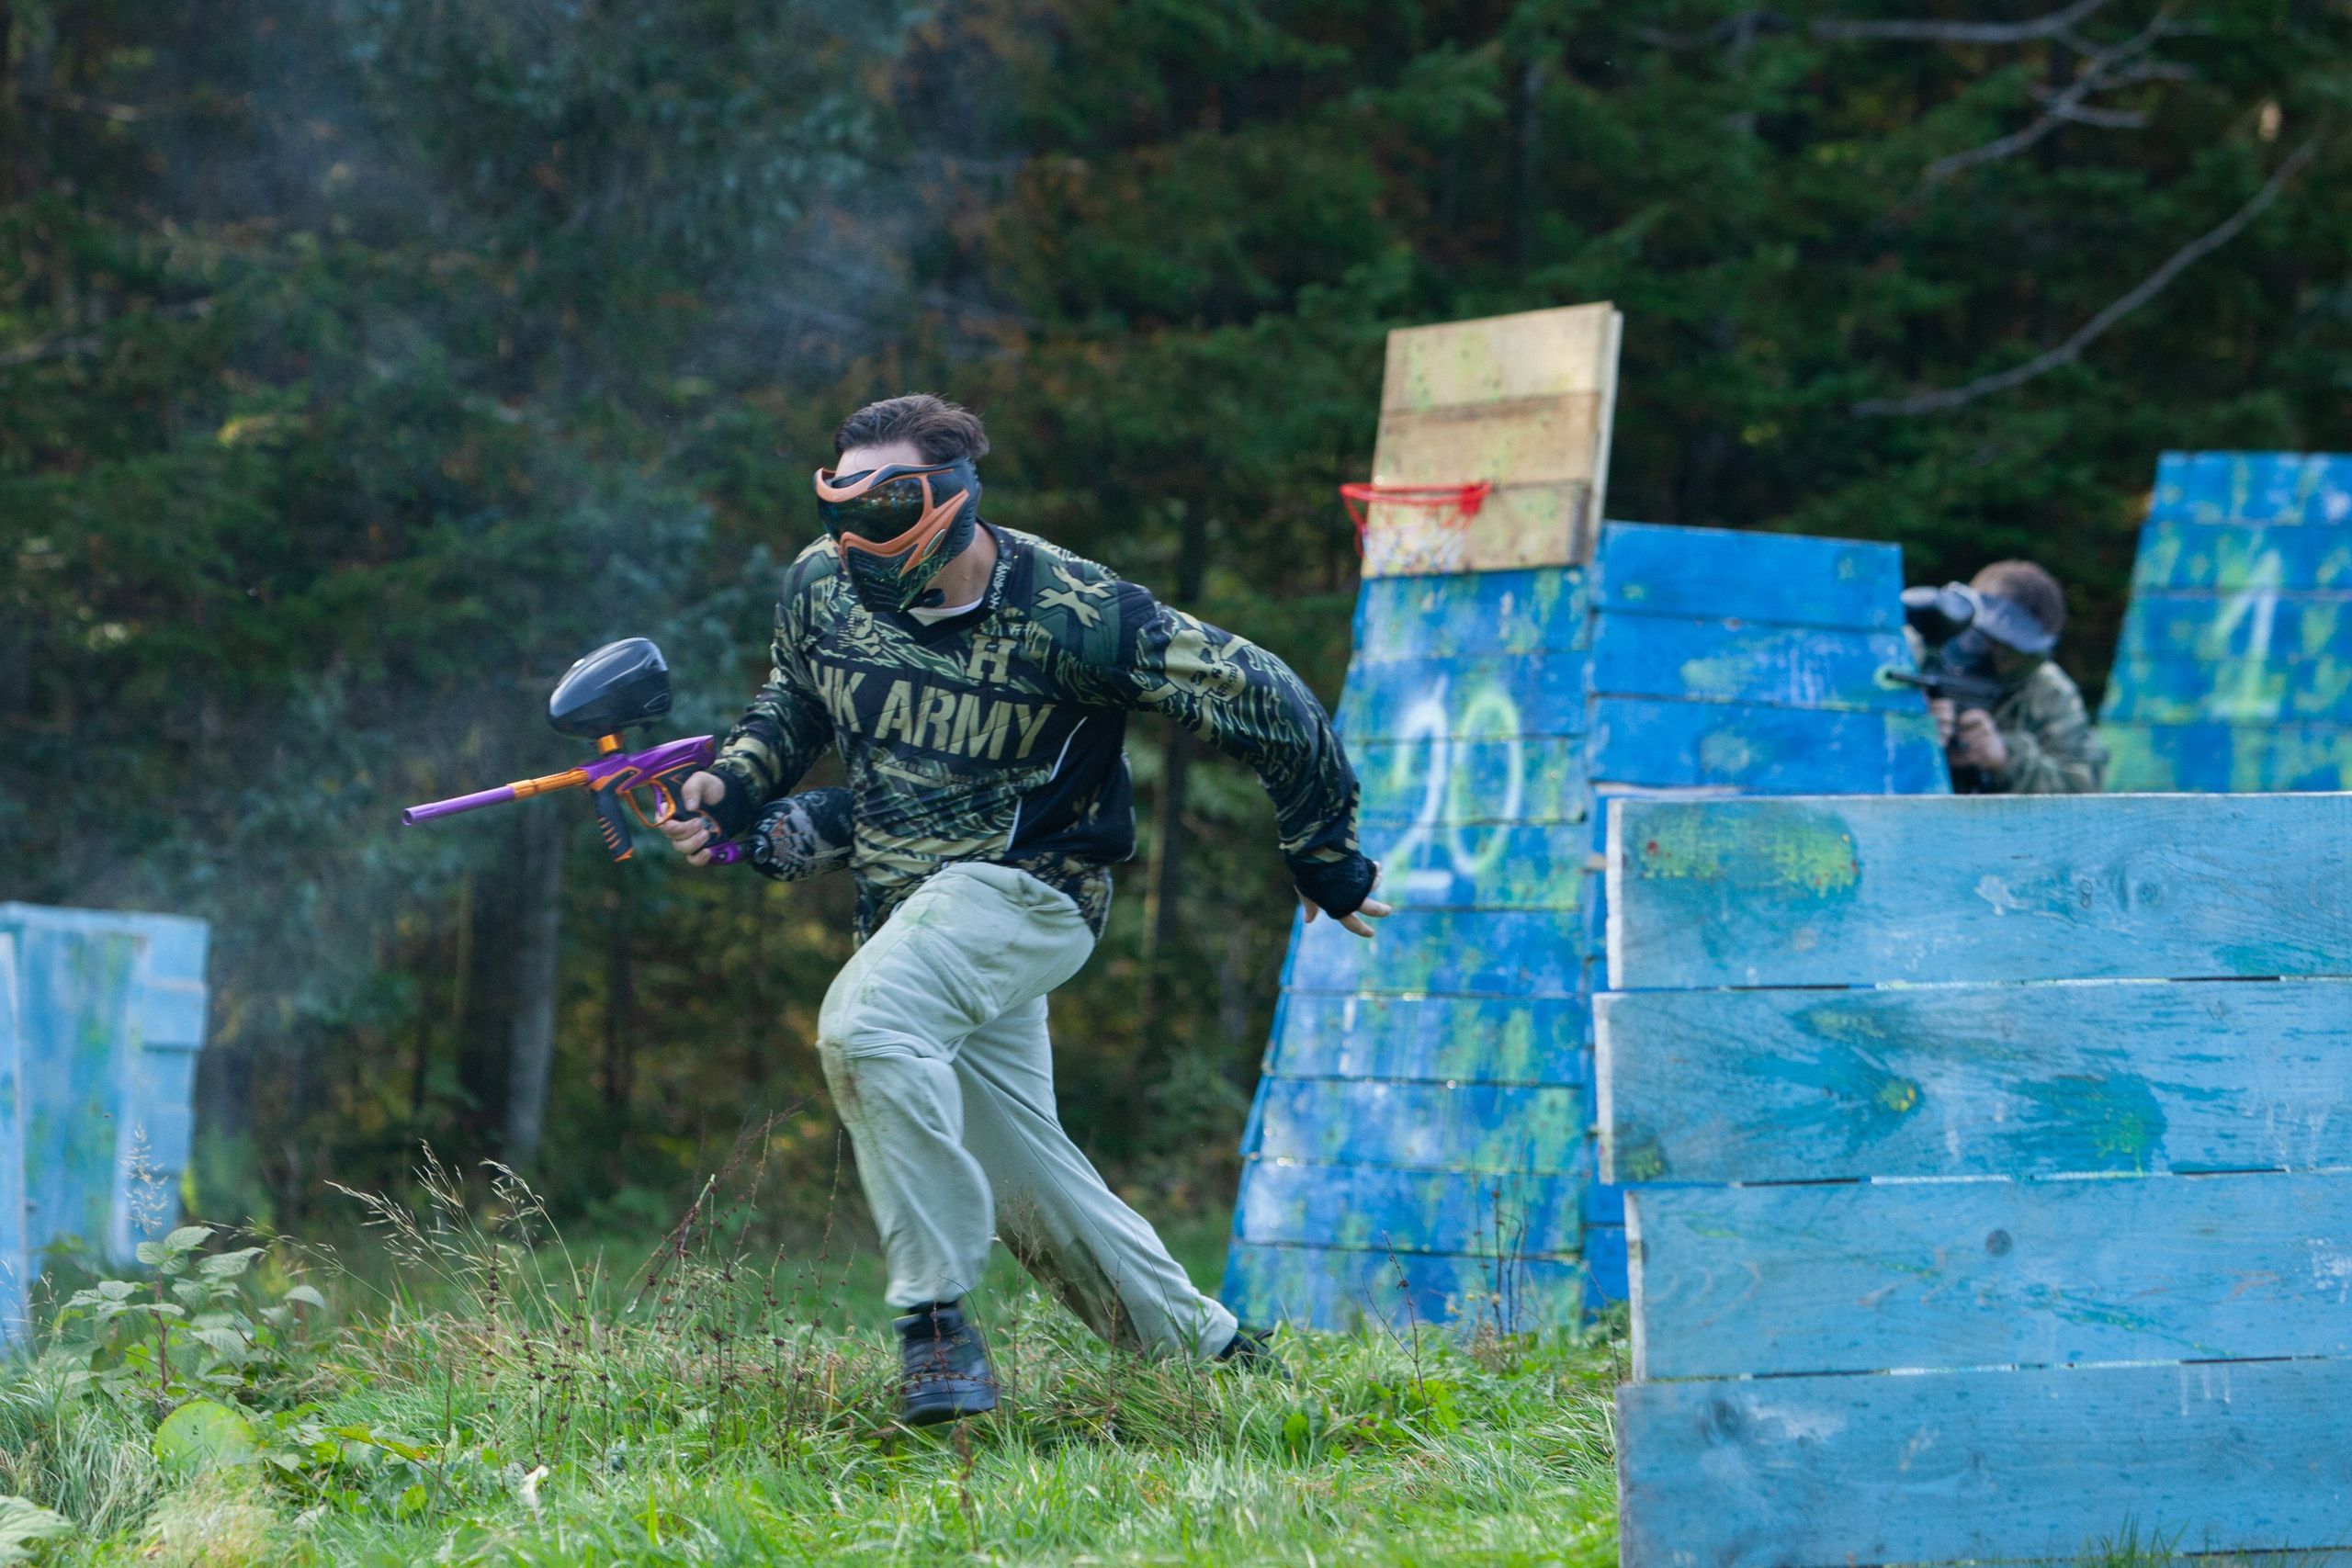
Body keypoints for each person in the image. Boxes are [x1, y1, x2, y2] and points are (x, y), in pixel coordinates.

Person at [658, 393, 1391, 1426]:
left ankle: (934, 1322)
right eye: (840, 510)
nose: (850, 540)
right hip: (910, 918)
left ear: (948, 503)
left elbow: (1264, 694)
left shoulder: (1074, 613)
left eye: (879, 512)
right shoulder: (822, 587)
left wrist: (1323, 852)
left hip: (1032, 891)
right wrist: (732, 787)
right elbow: (795, 701)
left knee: (867, 1028)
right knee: (1022, 1178)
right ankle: (1212, 1356)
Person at [1927, 560, 2108, 794]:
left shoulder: (2047, 690)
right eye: (1987, 640)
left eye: (2016, 653)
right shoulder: (1912, 653)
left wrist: (2005, 758)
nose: (1998, 658)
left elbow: (2085, 785)